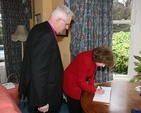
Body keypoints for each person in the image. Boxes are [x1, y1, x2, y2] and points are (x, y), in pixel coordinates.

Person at [18, 5, 73, 113]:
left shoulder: (39, 28)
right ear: (58, 20)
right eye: (67, 24)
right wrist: (42, 102)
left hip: (34, 88)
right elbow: (39, 71)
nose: (67, 27)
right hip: (44, 93)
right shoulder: (47, 36)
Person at [63, 46, 115, 113]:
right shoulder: (86, 61)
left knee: (82, 104)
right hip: (71, 82)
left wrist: (92, 89)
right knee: (75, 107)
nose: (103, 66)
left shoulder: (94, 58)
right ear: (99, 59)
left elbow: (91, 75)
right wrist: (94, 90)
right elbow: (80, 82)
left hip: (78, 80)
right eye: (104, 63)